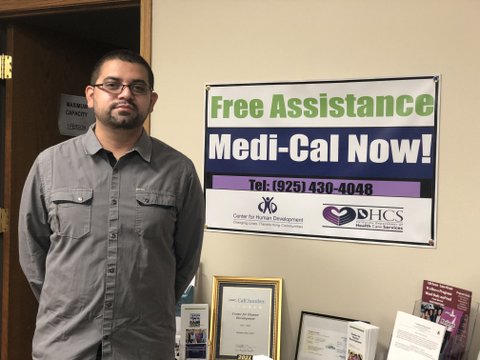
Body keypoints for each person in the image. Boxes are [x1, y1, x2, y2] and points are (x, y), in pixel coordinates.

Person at [18, 49, 205, 360]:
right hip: (65, 347)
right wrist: (68, 306)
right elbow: (33, 254)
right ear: (91, 95)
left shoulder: (179, 172)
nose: (125, 94)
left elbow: (185, 259)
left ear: (152, 101)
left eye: (138, 87)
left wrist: (141, 306)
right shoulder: (50, 164)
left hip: (144, 348)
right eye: (113, 84)